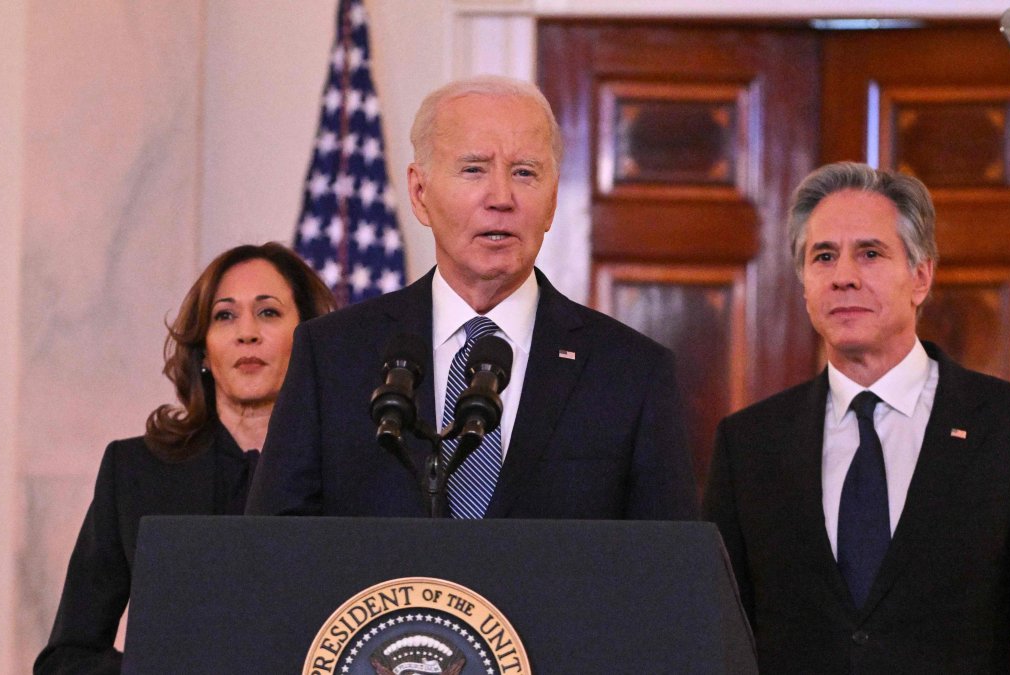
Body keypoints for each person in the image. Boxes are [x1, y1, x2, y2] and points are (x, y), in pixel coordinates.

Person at [246, 75, 698, 520]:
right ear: (420, 193)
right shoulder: (331, 356)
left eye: (524, 173)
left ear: (552, 200)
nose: (501, 198)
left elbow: (666, 559)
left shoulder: (632, 372)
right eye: (473, 169)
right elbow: (273, 547)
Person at [703, 162, 1010, 673]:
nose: (844, 277)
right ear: (804, 283)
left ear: (921, 276)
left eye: (870, 253)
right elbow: (715, 640)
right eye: (824, 256)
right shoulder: (748, 444)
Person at [34, 243, 334, 674]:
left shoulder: (348, 470)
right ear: (203, 350)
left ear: (308, 338)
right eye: (224, 316)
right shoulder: (135, 471)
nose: (246, 333)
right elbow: (67, 657)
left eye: (268, 312)